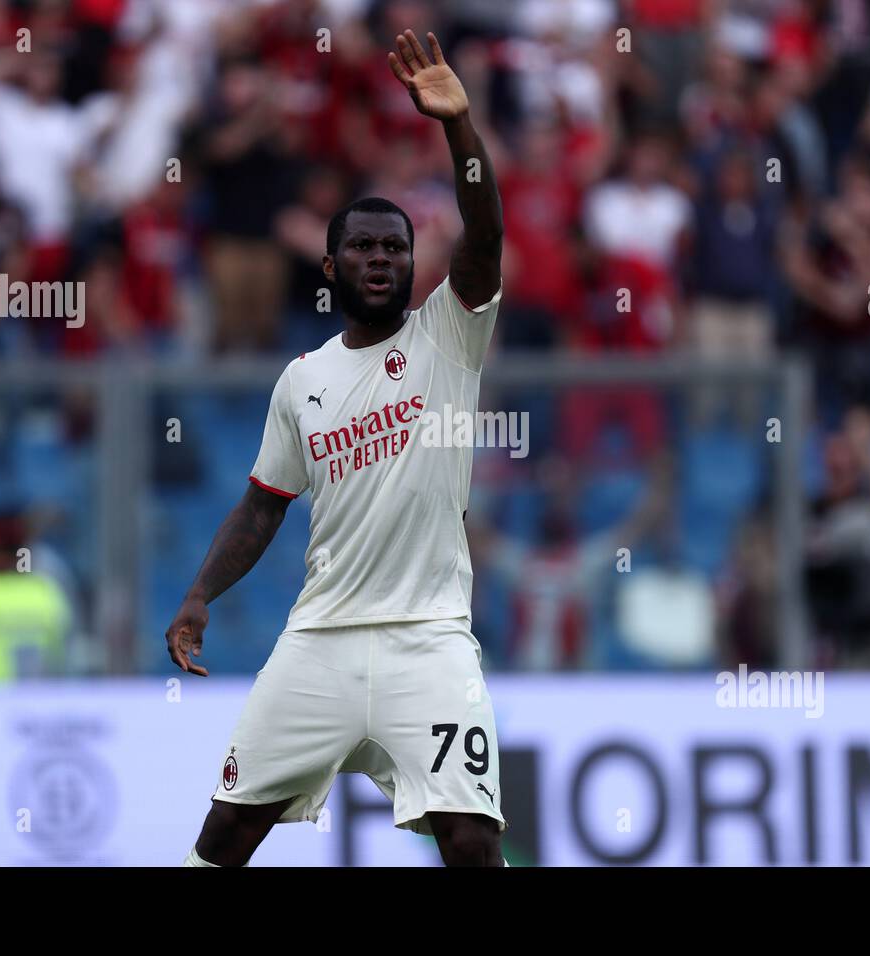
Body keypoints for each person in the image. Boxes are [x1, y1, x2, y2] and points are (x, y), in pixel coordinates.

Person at [169, 30, 508, 867]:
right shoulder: (303, 380)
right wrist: (200, 595)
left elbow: (485, 229)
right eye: (362, 246)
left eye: (395, 246)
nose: (382, 258)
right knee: (225, 833)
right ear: (329, 266)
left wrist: (458, 129)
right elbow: (262, 505)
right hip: (320, 637)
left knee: (471, 838)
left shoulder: (448, 335)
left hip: (429, 637)